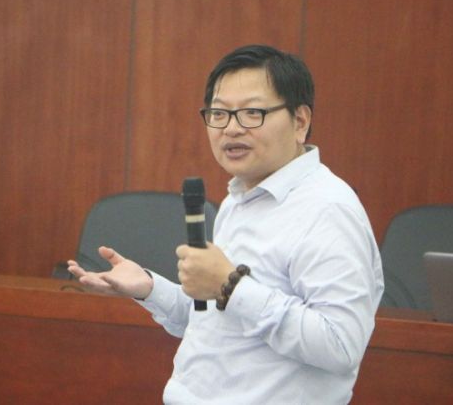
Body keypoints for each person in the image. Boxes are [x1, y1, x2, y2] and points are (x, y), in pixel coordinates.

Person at [67, 44, 384, 404]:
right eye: (219, 114)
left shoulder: (328, 210)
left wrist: (230, 286)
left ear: (300, 121)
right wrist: (150, 288)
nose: (231, 129)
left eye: (252, 113)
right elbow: (221, 324)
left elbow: (340, 346)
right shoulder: (240, 198)